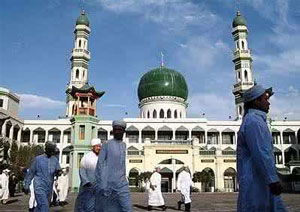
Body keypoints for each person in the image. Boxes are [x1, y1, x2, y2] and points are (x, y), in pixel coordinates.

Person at [237, 84, 287, 211]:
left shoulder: (254, 120)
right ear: (256, 101)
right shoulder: (254, 122)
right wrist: (273, 180)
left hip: (260, 181)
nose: (268, 103)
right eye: (265, 99)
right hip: (257, 182)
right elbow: (261, 153)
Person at [95, 120, 132, 212]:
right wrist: (102, 184)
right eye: (115, 129)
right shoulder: (107, 144)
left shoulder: (124, 145)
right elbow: (100, 164)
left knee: (127, 208)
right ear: (113, 131)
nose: (118, 132)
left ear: (124, 131)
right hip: (109, 184)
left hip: (122, 183)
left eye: (120, 129)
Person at [23, 141, 61, 212]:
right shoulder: (38, 159)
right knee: (44, 206)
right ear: (46, 149)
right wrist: (26, 185)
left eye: (53, 151)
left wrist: (58, 172)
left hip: (49, 187)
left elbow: (58, 170)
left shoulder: (55, 160)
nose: (52, 153)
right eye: (51, 150)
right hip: (39, 186)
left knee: (41, 206)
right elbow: (31, 173)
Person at [74, 138, 102, 212]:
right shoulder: (86, 157)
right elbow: (82, 170)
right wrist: (87, 182)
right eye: (97, 146)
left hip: (99, 186)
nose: (98, 148)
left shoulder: (102, 157)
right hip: (88, 186)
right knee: (85, 205)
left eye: (99, 146)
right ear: (92, 147)